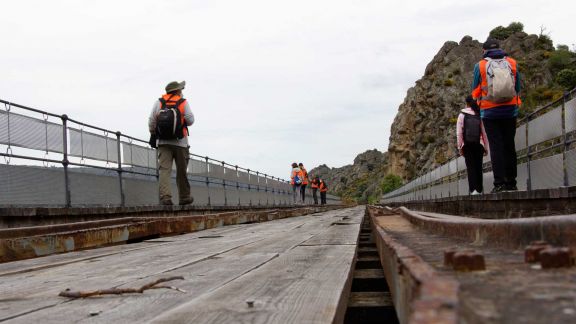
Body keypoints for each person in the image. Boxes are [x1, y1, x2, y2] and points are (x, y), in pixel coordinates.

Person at [472, 38, 521, 193]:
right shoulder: (512, 63)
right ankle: (511, 183)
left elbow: (475, 91)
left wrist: (480, 99)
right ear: (500, 48)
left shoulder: (480, 65)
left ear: (484, 51)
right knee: (509, 145)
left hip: (490, 112)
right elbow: (517, 87)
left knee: (496, 146)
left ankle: (499, 184)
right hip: (510, 110)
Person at [148, 81, 195, 206]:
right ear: (178, 91)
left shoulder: (159, 102)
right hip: (181, 142)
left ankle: (165, 198)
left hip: (163, 142)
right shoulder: (183, 102)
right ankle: (184, 197)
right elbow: (190, 120)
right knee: (181, 171)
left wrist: (153, 133)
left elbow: (152, 120)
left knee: (164, 170)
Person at [457, 96, 489, 195]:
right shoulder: (479, 114)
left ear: (466, 103)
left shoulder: (462, 115)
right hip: (479, 145)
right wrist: (486, 147)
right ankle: (479, 190)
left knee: (471, 167)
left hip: (467, 145)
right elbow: (484, 133)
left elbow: (459, 133)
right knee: (479, 167)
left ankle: (473, 190)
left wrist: (460, 147)